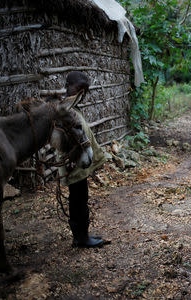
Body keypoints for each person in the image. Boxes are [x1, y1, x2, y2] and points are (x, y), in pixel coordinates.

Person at [60, 71, 107, 248]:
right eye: (78, 89)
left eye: (84, 90)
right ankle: (81, 238)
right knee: (78, 199)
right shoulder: (64, 110)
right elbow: (63, 141)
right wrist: (70, 160)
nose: (82, 94)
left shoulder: (72, 107)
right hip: (73, 163)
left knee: (80, 197)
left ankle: (81, 234)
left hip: (79, 162)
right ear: (68, 86)